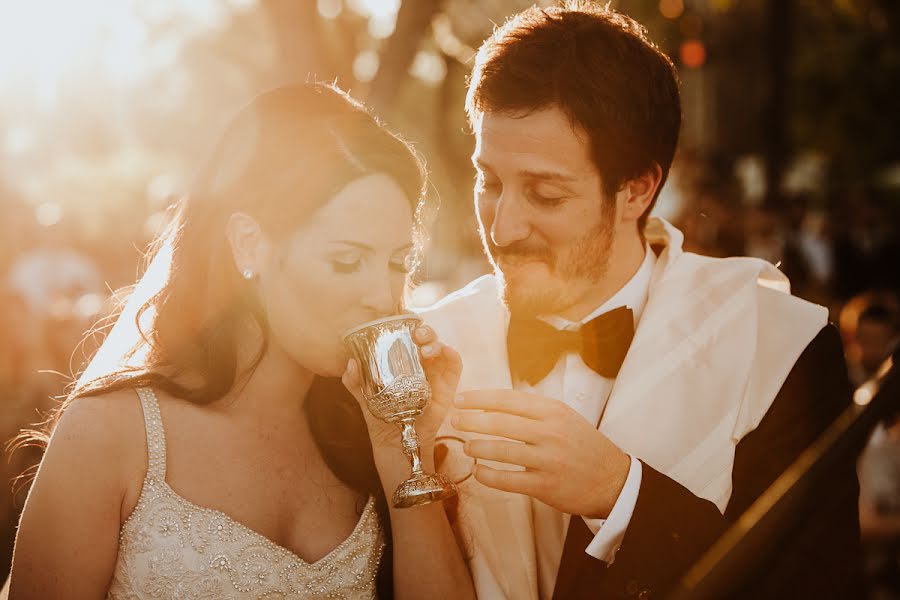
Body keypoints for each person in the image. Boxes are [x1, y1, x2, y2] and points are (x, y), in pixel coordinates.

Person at [414, 3, 863, 598]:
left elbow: (814, 584)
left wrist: (621, 493)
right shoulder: (430, 346)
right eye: (489, 182)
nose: (502, 228)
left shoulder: (775, 346)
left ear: (637, 189)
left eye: (544, 193)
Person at [7, 83, 474, 600]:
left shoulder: (368, 438)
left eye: (397, 263)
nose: (382, 296)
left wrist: (402, 454)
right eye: (347, 261)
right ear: (250, 245)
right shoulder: (111, 433)